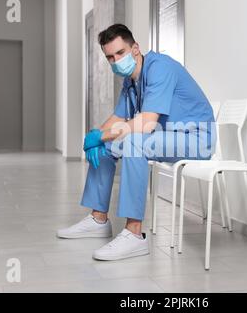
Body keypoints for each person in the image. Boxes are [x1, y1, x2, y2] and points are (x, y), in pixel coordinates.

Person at [57, 24, 216, 261]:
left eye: (120, 53)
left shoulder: (159, 68)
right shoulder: (131, 81)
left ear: (135, 48)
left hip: (196, 138)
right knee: (107, 147)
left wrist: (100, 135)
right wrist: (96, 137)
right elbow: (117, 119)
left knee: (133, 141)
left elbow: (147, 123)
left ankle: (134, 235)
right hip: (166, 137)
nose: (115, 60)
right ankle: (98, 219)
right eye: (110, 57)